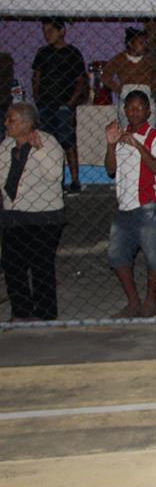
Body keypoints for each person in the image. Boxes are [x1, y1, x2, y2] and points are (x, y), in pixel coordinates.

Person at [104, 90, 156, 318]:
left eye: (140, 107)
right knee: (117, 256)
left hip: (148, 204)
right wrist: (111, 145)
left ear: (149, 111)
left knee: (154, 257)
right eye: (131, 108)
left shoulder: (154, 137)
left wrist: (138, 146)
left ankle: (150, 302)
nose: (135, 112)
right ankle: (133, 302)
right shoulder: (120, 136)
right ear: (124, 111)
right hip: (124, 204)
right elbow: (110, 169)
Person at [0, 102, 65, 321]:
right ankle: (21, 312)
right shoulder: (6, 145)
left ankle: (45, 314)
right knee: (12, 264)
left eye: (11, 120)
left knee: (40, 265)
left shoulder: (48, 142)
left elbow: (55, 175)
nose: (6, 123)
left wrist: (39, 151)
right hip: (14, 213)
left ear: (27, 123)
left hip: (43, 215)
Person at [32, 17, 86, 193]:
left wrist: (71, 101)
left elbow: (80, 80)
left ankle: (75, 180)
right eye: (44, 32)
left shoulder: (73, 53)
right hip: (45, 104)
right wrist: (37, 97)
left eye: (50, 31)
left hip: (64, 104)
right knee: (48, 143)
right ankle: (54, 181)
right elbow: (37, 77)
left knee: (68, 141)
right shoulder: (43, 53)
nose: (47, 35)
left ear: (62, 31)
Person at [101, 27, 156, 134]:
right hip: (127, 95)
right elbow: (106, 75)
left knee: (149, 128)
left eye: (146, 43)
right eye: (141, 43)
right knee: (128, 128)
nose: (145, 45)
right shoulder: (120, 59)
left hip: (146, 95)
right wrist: (119, 89)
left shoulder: (150, 60)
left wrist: (153, 88)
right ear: (130, 44)